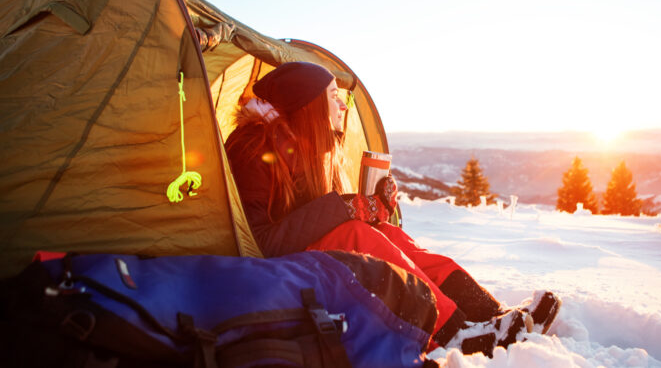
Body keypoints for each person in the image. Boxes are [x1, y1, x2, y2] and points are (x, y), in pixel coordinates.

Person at [224, 61, 560, 356]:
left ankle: (487, 313)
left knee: (383, 233)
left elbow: (312, 214)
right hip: (272, 273)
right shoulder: (254, 149)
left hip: (307, 259)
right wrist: (348, 210)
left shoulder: (302, 145)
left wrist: (372, 207)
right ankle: (452, 333)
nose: (342, 105)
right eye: (331, 96)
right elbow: (261, 243)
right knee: (355, 234)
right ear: (308, 106)